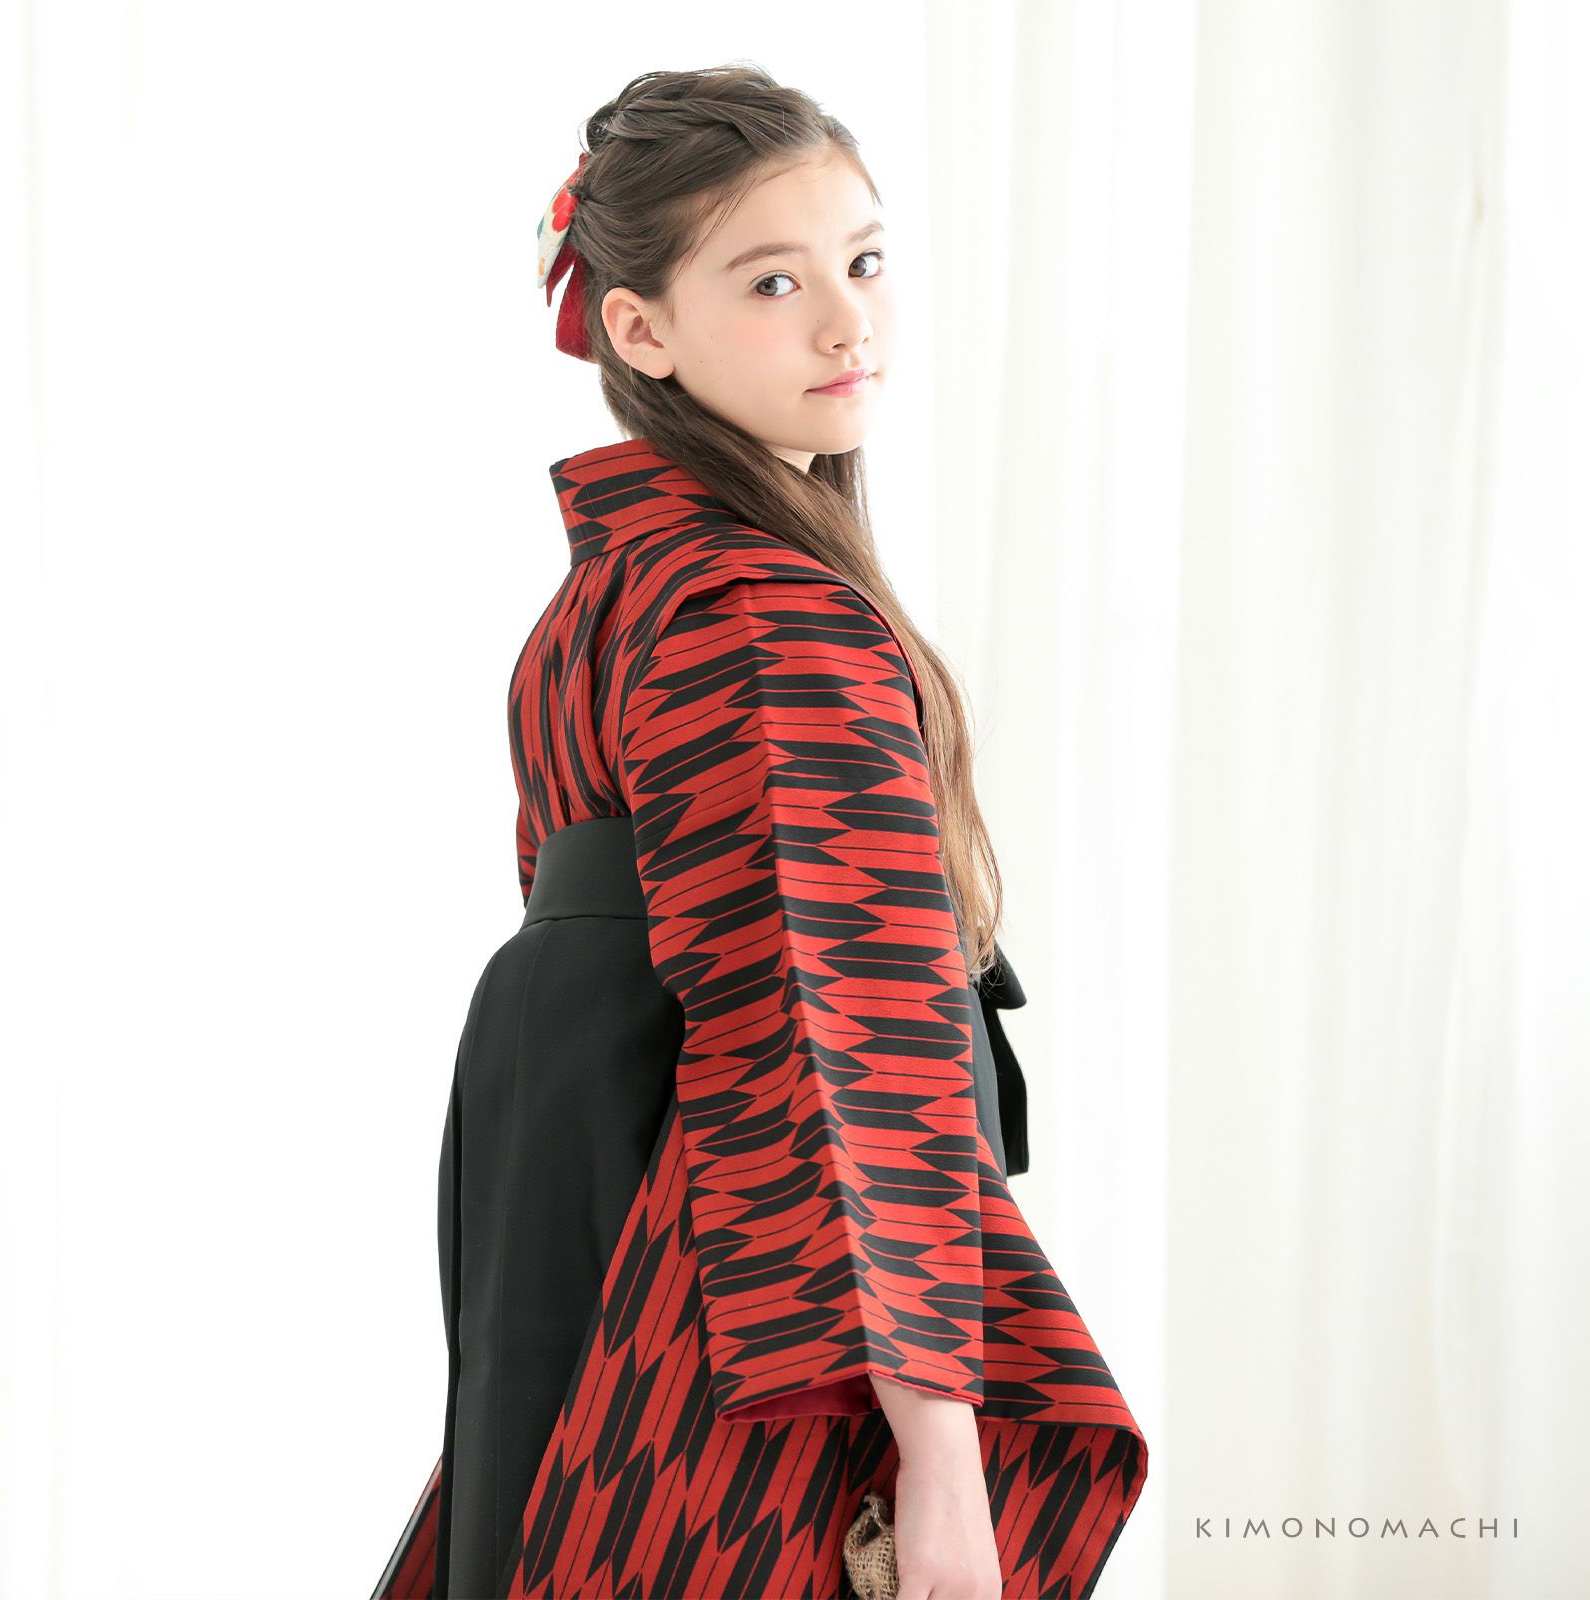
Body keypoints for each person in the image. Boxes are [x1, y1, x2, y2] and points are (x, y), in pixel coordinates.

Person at [371, 62, 1147, 1600]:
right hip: (733, 1249)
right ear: (640, 328)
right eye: (775, 281)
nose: (849, 321)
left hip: (584, 1182)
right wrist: (942, 1459)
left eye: (866, 259)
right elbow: (844, 1026)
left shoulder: (608, 597)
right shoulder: (762, 607)